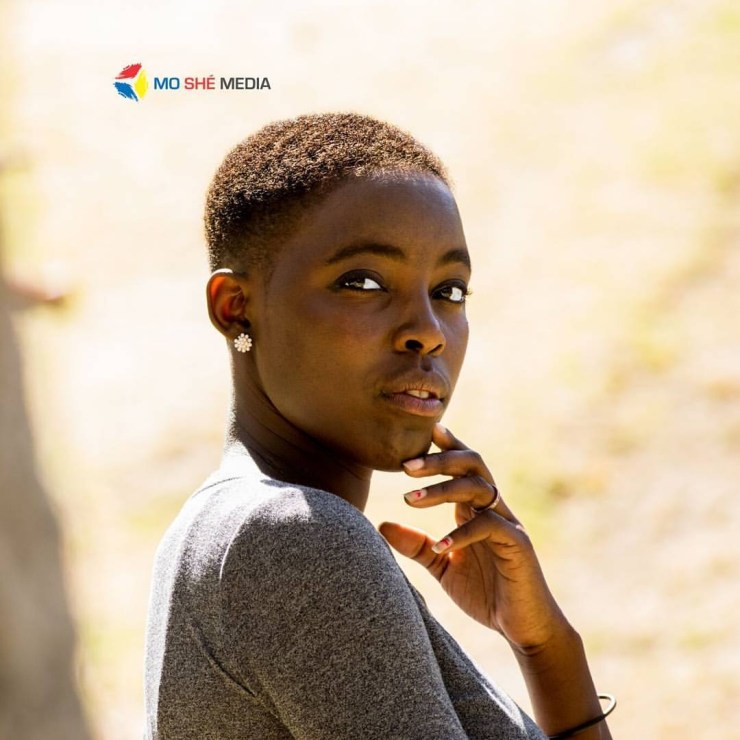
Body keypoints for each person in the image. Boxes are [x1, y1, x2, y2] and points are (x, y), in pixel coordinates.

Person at [144, 112, 614, 739]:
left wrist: (543, 642)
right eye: (363, 282)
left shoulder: (226, 531)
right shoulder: (296, 541)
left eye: (450, 291)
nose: (428, 331)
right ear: (235, 308)